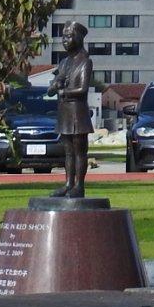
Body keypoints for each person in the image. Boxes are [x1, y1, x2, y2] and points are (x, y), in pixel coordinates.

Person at [52, 21, 93, 198]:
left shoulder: (85, 62)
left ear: (78, 38)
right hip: (65, 111)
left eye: (69, 36)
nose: (65, 40)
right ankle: (68, 183)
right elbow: (57, 81)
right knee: (67, 151)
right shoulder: (64, 63)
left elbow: (82, 89)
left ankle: (79, 185)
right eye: (64, 36)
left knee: (79, 150)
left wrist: (63, 91)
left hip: (77, 112)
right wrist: (54, 85)